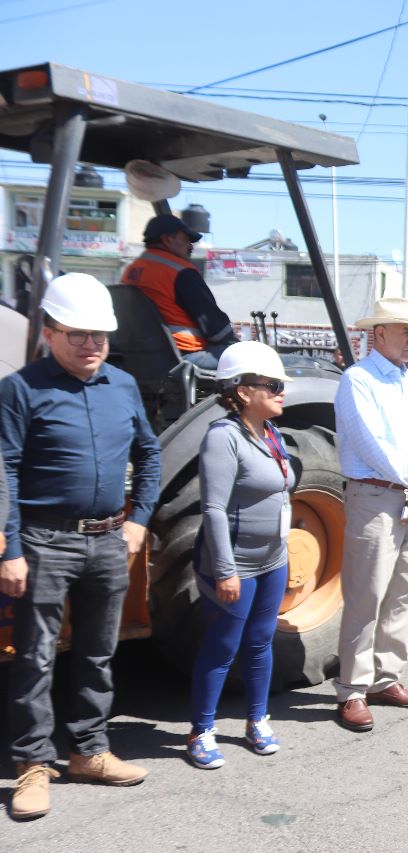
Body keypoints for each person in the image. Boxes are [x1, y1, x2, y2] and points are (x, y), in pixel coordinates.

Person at [0, 273, 161, 820]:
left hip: (107, 540)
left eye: (100, 335)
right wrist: (11, 549)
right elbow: (6, 472)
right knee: (36, 658)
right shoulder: (21, 389)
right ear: (49, 332)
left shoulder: (122, 385)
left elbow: (151, 452)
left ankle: (89, 752)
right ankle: (31, 766)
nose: (91, 344)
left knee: (98, 654)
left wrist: (138, 519)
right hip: (44, 542)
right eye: (78, 334)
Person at [333, 296, 408, 733]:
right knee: (366, 593)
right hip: (376, 496)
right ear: (379, 334)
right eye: (404, 330)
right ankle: (353, 690)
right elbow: (371, 444)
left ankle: (385, 678)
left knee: (404, 592)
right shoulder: (357, 380)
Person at [187, 342, 296, 769]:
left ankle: (256, 720)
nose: (281, 390)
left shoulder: (272, 434)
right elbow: (213, 508)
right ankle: (201, 731)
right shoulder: (223, 438)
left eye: (281, 384)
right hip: (235, 565)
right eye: (272, 384)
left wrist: (283, 551)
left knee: (260, 643)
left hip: (272, 561)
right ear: (243, 391)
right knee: (223, 646)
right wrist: (225, 571)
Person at [122, 214, 238, 369]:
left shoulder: (130, 271)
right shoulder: (180, 272)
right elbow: (217, 330)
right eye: (186, 240)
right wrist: (236, 343)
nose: (190, 246)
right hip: (182, 356)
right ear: (168, 239)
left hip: (139, 357)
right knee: (249, 358)